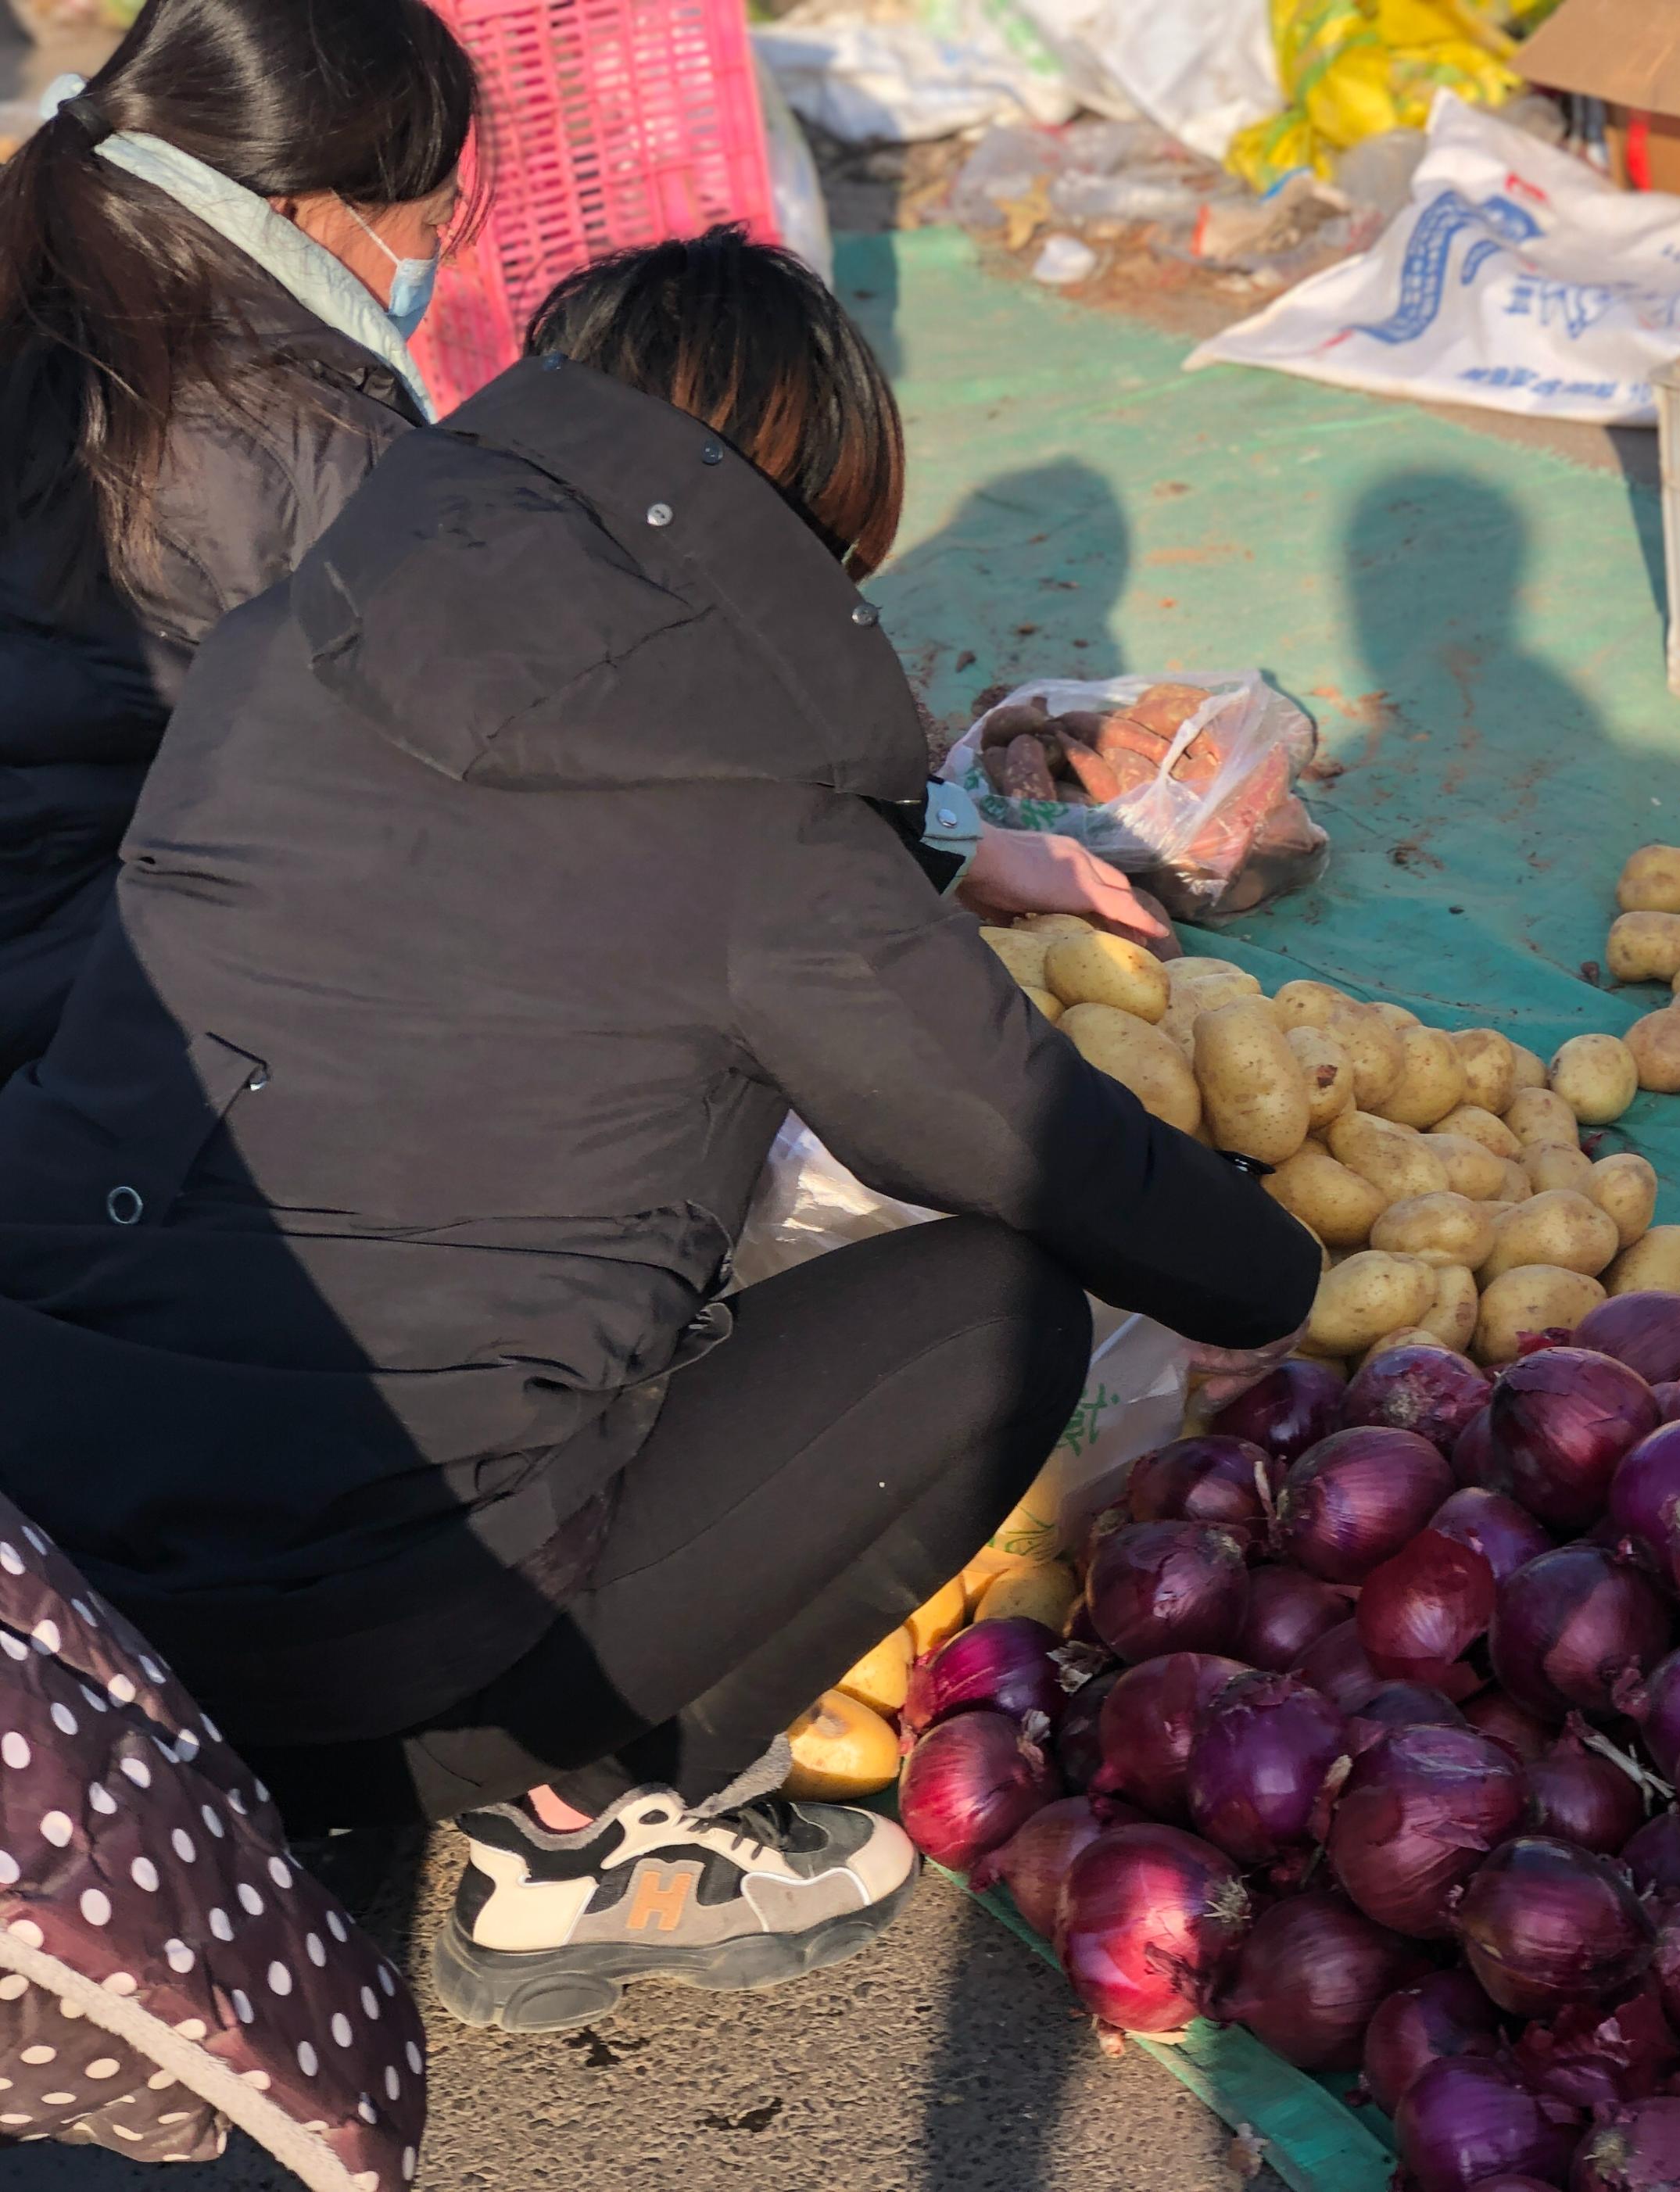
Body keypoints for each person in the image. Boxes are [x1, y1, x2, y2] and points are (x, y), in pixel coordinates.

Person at [0, 228, 1323, 2033]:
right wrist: (1272, 1273)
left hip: (65, 1584)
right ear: (798, 516)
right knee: (997, 1306)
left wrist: (921, 850)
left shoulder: (287, 639)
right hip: (353, 1664)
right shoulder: (764, 841)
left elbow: (515, 852)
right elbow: (1045, 1149)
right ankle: (582, 1824)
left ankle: (290, 1760)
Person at [0, 0, 481, 1082]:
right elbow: (527, 742)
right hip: (95, 1025)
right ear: (305, 209)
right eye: (431, 223)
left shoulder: (60, 266)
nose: (432, 259)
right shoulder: (302, 439)